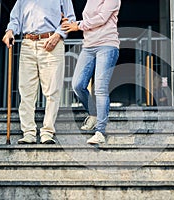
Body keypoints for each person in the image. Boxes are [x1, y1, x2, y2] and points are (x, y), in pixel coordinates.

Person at [2, 0, 76, 144]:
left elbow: (70, 19)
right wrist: (10, 31)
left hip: (52, 42)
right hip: (28, 43)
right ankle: (28, 132)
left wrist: (58, 35)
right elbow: (15, 19)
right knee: (26, 91)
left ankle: (47, 132)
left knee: (52, 91)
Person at [61, 0, 121, 144]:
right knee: (77, 85)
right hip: (88, 47)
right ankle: (93, 114)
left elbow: (101, 18)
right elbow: (87, 20)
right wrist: (70, 22)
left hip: (107, 45)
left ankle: (100, 131)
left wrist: (78, 25)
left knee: (100, 88)